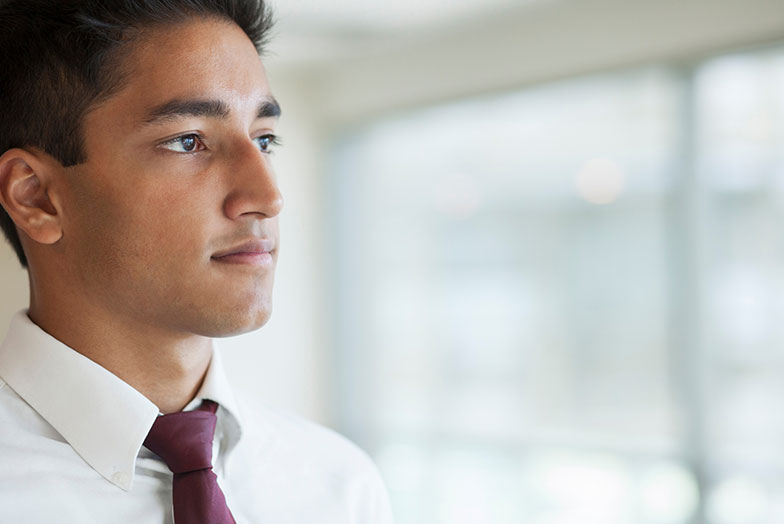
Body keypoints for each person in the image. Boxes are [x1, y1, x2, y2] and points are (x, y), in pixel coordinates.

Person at [0, 1, 394, 522]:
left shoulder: (338, 486)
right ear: (38, 198)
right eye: (188, 141)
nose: (267, 197)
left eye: (264, 139)